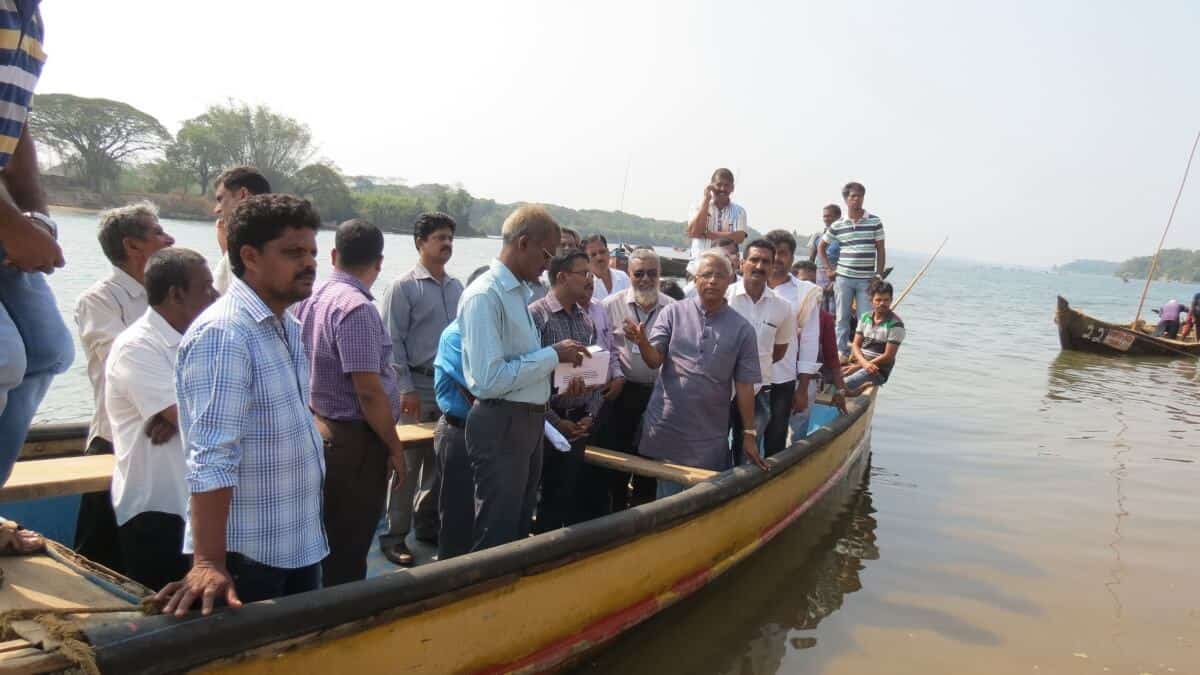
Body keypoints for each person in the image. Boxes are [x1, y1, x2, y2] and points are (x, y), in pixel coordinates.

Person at [157, 194, 327, 616]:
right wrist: (209, 562)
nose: (308, 263)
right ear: (249, 256)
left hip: (297, 539)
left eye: (312, 252)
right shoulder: (226, 334)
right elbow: (212, 455)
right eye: (293, 253)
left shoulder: (288, 325)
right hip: (248, 556)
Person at [459, 205, 589, 552]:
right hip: (502, 421)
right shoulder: (486, 295)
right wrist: (552, 356)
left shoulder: (518, 294)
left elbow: (518, 365)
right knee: (497, 531)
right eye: (547, 254)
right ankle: (489, 600)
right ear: (523, 243)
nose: (549, 264)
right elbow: (489, 379)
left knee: (517, 527)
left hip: (527, 423)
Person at [295, 220, 407, 586]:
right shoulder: (356, 308)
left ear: (333, 255)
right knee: (350, 542)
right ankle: (343, 618)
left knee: (325, 536)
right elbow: (368, 391)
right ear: (378, 262)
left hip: (321, 427)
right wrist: (393, 446)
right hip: (354, 442)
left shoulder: (310, 298)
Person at [105, 248, 217, 590]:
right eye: (207, 287)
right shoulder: (137, 347)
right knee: (166, 616)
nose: (216, 295)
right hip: (158, 510)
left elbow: (204, 413)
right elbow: (203, 422)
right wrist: (182, 412)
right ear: (176, 294)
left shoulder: (202, 341)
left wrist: (181, 412)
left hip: (198, 507)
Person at [73, 202, 174, 571]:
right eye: (160, 232)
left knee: (149, 552)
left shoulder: (170, 296)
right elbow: (129, 364)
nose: (170, 238)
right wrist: (166, 405)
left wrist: (170, 407)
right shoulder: (99, 300)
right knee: (96, 555)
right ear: (133, 246)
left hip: (161, 441)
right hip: (115, 441)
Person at [0, 0, 75, 487]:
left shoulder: (28, 17)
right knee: (4, 357)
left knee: (48, 350)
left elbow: (16, 122)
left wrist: (38, 218)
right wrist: (12, 228)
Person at [623, 249, 766, 498]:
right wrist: (643, 342)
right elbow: (654, 360)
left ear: (730, 281)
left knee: (700, 500)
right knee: (662, 498)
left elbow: (745, 385)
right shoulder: (673, 312)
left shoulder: (742, 329)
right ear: (695, 279)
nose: (712, 280)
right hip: (667, 425)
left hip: (708, 434)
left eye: (719, 275)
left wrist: (750, 433)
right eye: (706, 274)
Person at [379, 212, 463, 565]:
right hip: (416, 384)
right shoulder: (403, 287)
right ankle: (394, 535)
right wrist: (404, 387)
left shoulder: (458, 288)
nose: (446, 244)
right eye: (439, 238)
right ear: (420, 243)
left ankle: (426, 527)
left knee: (441, 461)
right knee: (408, 464)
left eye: (450, 238)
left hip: (448, 385)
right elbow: (392, 341)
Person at [529, 250, 605, 531]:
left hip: (577, 424)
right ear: (561, 277)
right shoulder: (537, 317)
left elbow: (597, 374)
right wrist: (555, 421)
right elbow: (528, 378)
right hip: (542, 424)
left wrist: (590, 416)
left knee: (563, 497)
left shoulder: (586, 320)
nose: (590, 279)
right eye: (583, 273)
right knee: (533, 498)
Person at [599, 248, 675, 509]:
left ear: (660, 274)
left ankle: (645, 512)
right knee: (620, 455)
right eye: (638, 273)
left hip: (660, 393)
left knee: (651, 458)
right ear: (628, 274)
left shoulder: (674, 308)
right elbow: (604, 349)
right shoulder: (610, 306)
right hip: (623, 392)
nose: (645, 279)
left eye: (651, 273)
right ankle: (616, 511)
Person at [432, 266, 490, 561]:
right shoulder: (455, 335)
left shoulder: (491, 336)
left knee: (481, 512)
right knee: (457, 514)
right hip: (459, 431)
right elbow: (479, 387)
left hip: (487, 432)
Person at [726, 240, 796, 461]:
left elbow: (779, 352)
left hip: (758, 391)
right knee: (714, 449)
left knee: (747, 454)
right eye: (754, 259)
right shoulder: (723, 298)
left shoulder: (783, 307)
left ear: (772, 266)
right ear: (742, 263)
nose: (759, 266)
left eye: (766, 261)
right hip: (719, 389)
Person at [763, 231, 822, 450]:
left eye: (783, 253)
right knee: (743, 436)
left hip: (783, 378)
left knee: (776, 438)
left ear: (792, 257)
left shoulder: (806, 293)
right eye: (773, 253)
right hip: (747, 378)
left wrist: (802, 388)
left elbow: (808, 342)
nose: (777, 258)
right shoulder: (747, 287)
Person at [818, 182, 886, 357]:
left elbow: (880, 249)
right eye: (853, 196)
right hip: (844, 279)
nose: (857, 199)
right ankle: (840, 352)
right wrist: (828, 269)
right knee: (842, 317)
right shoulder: (839, 225)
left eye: (860, 196)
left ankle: (861, 352)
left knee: (865, 317)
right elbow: (821, 247)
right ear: (846, 200)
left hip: (866, 279)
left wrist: (878, 275)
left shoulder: (874, 221)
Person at [211, 167, 271, 294]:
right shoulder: (283, 244)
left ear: (243, 195)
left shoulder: (247, 250)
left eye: (220, 199)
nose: (217, 209)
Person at [845, 281, 904, 395]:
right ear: (871, 300)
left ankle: (857, 391)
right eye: (878, 300)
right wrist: (861, 364)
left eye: (886, 300)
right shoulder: (865, 317)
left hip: (877, 371)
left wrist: (861, 366)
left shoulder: (896, 325)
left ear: (891, 300)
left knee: (845, 383)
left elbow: (888, 356)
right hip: (859, 363)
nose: (882, 303)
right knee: (830, 377)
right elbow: (856, 345)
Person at [686, 168, 748, 274]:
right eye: (719, 184)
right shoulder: (697, 206)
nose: (722, 189)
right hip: (697, 268)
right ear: (711, 185)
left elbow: (739, 237)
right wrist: (706, 199)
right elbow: (694, 232)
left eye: (727, 185)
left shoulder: (739, 211)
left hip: (726, 270)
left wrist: (707, 234)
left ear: (732, 188)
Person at [811, 204, 841, 314]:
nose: (826, 219)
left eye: (829, 216)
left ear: (838, 217)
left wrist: (834, 282)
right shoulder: (818, 236)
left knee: (834, 310)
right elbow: (811, 260)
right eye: (824, 216)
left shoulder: (843, 237)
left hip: (836, 276)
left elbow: (845, 261)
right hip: (819, 277)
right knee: (819, 309)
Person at [584, 234, 630, 301]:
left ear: (608, 252)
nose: (599, 258)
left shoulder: (623, 277)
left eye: (602, 252)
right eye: (593, 255)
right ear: (586, 259)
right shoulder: (585, 284)